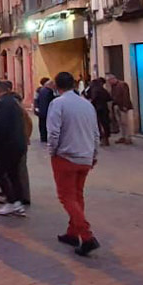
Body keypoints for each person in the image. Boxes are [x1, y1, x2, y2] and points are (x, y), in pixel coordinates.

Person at [47, 72, 101, 256]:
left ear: (56, 85)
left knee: (66, 197)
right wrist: (94, 153)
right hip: (85, 155)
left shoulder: (58, 104)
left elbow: (53, 132)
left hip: (66, 156)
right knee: (77, 196)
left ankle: (86, 236)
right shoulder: (87, 104)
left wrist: (52, 152)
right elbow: (95, 131)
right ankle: (73, 232)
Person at [0, 80, 27, 216]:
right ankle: (17, 202)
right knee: (13, 173)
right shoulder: (13, 102)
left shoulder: (2, 104)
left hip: (6, 145)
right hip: (18, 143)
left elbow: (0, 127)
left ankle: (11, 201)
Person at [107, 73, 134, 144]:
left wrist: (125, 106)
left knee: (125, 122)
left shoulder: (122, 84)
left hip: (122, 106)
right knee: (120, 122)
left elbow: (126, 95)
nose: (109, 82)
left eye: (109, 80)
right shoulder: (113, 86)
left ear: (113, 79)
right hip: (116, 106)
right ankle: (123, 136)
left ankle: (128, 137)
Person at [87, 78, 112, 147]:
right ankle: (106, 138)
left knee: (98, 124)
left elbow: (88, 96)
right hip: (104, 108)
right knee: (105, 123)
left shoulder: (92, 89)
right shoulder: (102, 90)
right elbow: (109, 98)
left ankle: (101, 138)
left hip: (96, 108)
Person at [34, 78, 55, 145]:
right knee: (47, 124)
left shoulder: (40, 90)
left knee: (41, 124)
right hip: (47, 110)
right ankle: (45, 138)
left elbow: (36, 99)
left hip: (41, 110)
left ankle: (43, 137)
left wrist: (36, 107)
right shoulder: (50, 91)